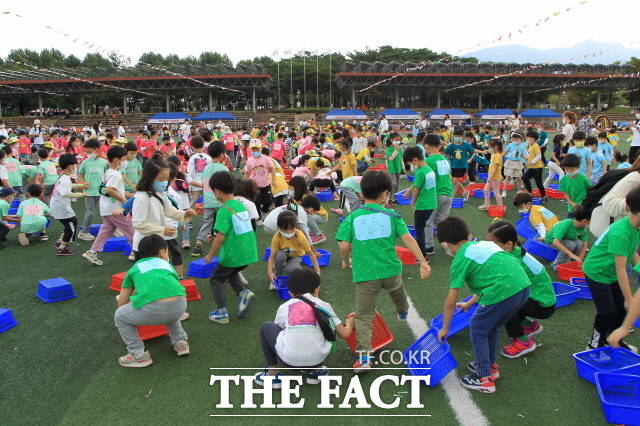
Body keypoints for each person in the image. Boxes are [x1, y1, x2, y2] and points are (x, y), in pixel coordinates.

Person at [336, 171, 430, 372]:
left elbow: (343, 246)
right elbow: (408, 239)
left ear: (362, 194)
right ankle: (403, 311)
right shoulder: (392, 215)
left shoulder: (352, 217)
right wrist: (422, 261)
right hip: (390, 270)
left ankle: (364, 359)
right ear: (385, 194)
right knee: (397, 291)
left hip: (365, 275)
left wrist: (345, 261)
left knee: (362, 316)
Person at [436, 216, 530, 393]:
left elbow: (450, 300)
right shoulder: (482, 245)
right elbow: (491, 276)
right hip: (522, 287)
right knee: (493, 327)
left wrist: (445, 328)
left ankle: (483, 378)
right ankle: (489, 366)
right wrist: (469, 303)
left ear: (446, 244)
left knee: (478, 328)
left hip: (503, 292)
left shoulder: (460, 258)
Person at [254, 266, 355, 388]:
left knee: (267, 327)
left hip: (289, 361)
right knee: (323, 329)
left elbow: (279, 328)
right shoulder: (324, 306)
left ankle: (273, 375)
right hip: (317, 359)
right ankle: (316, 373)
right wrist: (350, 322)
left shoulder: (284, 307)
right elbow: (344, 334)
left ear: (290, 293)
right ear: (317, 289)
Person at [114, 234, 189, 368]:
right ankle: (180, 342)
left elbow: (122, 301)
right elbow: (170, 288)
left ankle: (138, 355)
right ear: (162, 252)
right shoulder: (167, 265)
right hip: (180, 305)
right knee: (168, 305)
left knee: (120, 316)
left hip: (155, 310)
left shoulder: (134, 269)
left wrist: (129, 307)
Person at [484, 221, 556, 358]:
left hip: (542, 305)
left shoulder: (513, 261)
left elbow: (503, 288)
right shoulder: (515, 252)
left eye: (493, 244)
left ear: (509, 244)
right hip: (540, 299)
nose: (490, 248)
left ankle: (523, 342)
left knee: (503, 302)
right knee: (508, 298)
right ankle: (528, 326)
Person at [583, 187, 640, 351]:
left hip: (611, 272)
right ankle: (594, 346)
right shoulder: (621, 231)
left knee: (621, 309)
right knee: (607, 312)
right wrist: (629, 298)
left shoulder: (636, 226)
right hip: (597, 273)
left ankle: (613, 339)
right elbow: (621, 269)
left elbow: (632, 250)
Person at [203, 171, 257, 325]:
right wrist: (215, 236)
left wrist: (210, 255)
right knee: (231, 272)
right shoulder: (240, 205)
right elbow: (235, 228)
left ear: (217, 191)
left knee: (216, 279)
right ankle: (243, 293)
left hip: (233, 254)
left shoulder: (223, 210)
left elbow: (221, 236)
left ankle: (221, 313)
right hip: (248, 253)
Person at [131, 157, 195, 259]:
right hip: (144, 246)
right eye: (161, 179)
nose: (165, 182)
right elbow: (138, 223)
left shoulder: (159, 193)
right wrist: (162, 230)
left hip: (157, 243)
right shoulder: (142, 197)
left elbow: (169, 210)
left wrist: (184, 214)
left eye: (166, 179)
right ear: (149, 177)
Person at [82, 146, 136, 265]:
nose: (125, 161)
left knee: (105, 231)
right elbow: (110, 190)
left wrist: (127, 194)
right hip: (115, 209)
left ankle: (92, 251)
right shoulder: (115, 174)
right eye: (124, 159)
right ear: (117, 160)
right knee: (131, 229)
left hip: (106, 209)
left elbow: (111, 189)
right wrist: (124, 201)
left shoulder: (109, 173)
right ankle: (137, 252)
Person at [267, 209, 320, 288]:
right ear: (278, 227)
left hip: (296, 255)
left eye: (291, 229)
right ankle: (276, 277)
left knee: (290, 269)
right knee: (280, 257)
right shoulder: (277, 237)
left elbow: (310, 254)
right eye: (285, 229)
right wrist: (270, 272)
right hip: (283, 253)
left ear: (296, 226)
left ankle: (298, 268)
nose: (288, 232)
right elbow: (272, 257)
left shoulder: (300, 236)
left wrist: (317, 270)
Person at [191, 141, 228, 256]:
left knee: (207, 223)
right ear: (222, 154)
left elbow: (204, 183)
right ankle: (225, 246)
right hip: (220, 201)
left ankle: (198, 245)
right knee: (224, 223)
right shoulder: (223, 169)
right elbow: (227, 186)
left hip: (208, 201)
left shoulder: (206, 167)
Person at [50, 154, 87, 255]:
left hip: (58, 205)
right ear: (70, 166)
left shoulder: (62, 176)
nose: (75, 167)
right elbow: (65, 193)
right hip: (61, 207)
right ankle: (62, 248)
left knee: (70, 224)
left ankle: (60, 242)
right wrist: (81, 194)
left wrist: (81, 185)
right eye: (74, 165)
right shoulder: (65, 178)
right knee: (71, 227)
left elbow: (68, 186)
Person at [403, 147, 437, 256]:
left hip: (422, 205)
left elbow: (417, 189)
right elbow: (418, 186)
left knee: (419, 231)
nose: (412, 166)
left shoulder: (420, 172)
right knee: (424, 227)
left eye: (410, 163)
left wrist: (413, 202)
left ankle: (422, 255)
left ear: (415, 160)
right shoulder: (429, 169)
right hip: (432, 203)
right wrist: (409, 191)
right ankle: (427, 250)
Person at [77, 139, 108, 241]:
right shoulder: (85, 162)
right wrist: (83, 183)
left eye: (89, 152)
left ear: (96, 150)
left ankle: (111, 229)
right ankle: (84, 232)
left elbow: (107, 175)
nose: (88, 154)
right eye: (86, 152)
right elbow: (80, 174)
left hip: (101, 191)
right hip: (89, 192)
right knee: (90, 212)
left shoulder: (104, 162)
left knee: (106, 211)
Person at [244, 139, 275, 222]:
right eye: (253, 149)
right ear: (251, 149)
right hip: (254, 186)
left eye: (257, 149)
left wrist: (274, 181)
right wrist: (244, 184)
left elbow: (272, 169)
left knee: (268, 201)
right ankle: (259, 219)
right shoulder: (249, 161)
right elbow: (247, 173)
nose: (255, 151)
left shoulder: (266, 159)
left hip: (266, 184)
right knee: (256, 202)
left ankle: (264, 211)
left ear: (261, 148)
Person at [444, 128, 475, 199]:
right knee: (454, 181)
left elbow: (473, 151)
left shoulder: (465, 144)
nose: (457, 137)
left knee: (455, 181)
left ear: (462, 136)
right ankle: (464, 192)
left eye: (458, 136)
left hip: (461, 166)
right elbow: (446, 152)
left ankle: (453, 197)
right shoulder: (452, 145)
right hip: (454, 165)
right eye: (455, 136)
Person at [559, 154, 590, 218]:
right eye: (566, 169)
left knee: (582, 224)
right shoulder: (564, 179)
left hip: (583, 208)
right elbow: (565, 193)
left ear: (578, 167)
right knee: (571, 223)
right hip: (571, 208)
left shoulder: (583, 179)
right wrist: (571, 203)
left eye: (572, 169)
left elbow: (589, 190)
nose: (569, 171)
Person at [186, 135, 211, 207]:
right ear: (203, 145)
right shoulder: (208, 157)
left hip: (195, 184)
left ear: (192, 147)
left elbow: (190, 173)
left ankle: (189, 217)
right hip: (206, 183)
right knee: (208, 205)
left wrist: (189, 186)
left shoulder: (192, 158)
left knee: (191, 205)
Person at [479, 139, 504, 210]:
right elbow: (490, 152)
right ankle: (487, 204)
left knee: (496, 192)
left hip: (495, 177)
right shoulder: (494, 153)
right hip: (491, 176)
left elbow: (495, 169)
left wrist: (490, 178)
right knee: (486, 190)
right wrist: (487, 151)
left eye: (490, 147)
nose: (489, 148)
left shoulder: (497, 156)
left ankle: (500, 206)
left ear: (495, 147)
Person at [501, 131, 527, 198]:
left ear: (520, 139)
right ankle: (504, 191)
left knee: (518, 178)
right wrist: (499, 157)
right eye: (514, 139)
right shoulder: (510, 145)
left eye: (517, 139)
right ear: (512, 139)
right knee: (507, 178)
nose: (515, 140)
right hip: (510, 162)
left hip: (518, 163)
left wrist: (529, 159)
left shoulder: (522, 146)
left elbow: (524, 155)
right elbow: (505, 153)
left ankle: (519, 191)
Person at [523, 130, 546, 200]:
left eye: (529, 138)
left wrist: (531, 162)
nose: (528, 140)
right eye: (527, 138)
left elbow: (539, 156)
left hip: (537, 168)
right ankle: (530, 193)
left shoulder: (535, 146)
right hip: (532, 167)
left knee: (538, 183)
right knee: (525, 178)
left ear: (533, 139)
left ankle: (543, 196)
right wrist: (524, 158)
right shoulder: (530, 146)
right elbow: (530, 155)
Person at [385, 133, 403, 201]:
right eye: (396, 140)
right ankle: (390, 197)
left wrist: (403, 167)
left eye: (399, 140)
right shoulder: (389, 149)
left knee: (397, 183)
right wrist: (396, 150)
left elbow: (401, 158)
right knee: (393, 183)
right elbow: (391, 158)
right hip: (391, 168)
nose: (398, 141)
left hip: (398, 168)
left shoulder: (400, 148)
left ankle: (394, 196)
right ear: (391, 140)